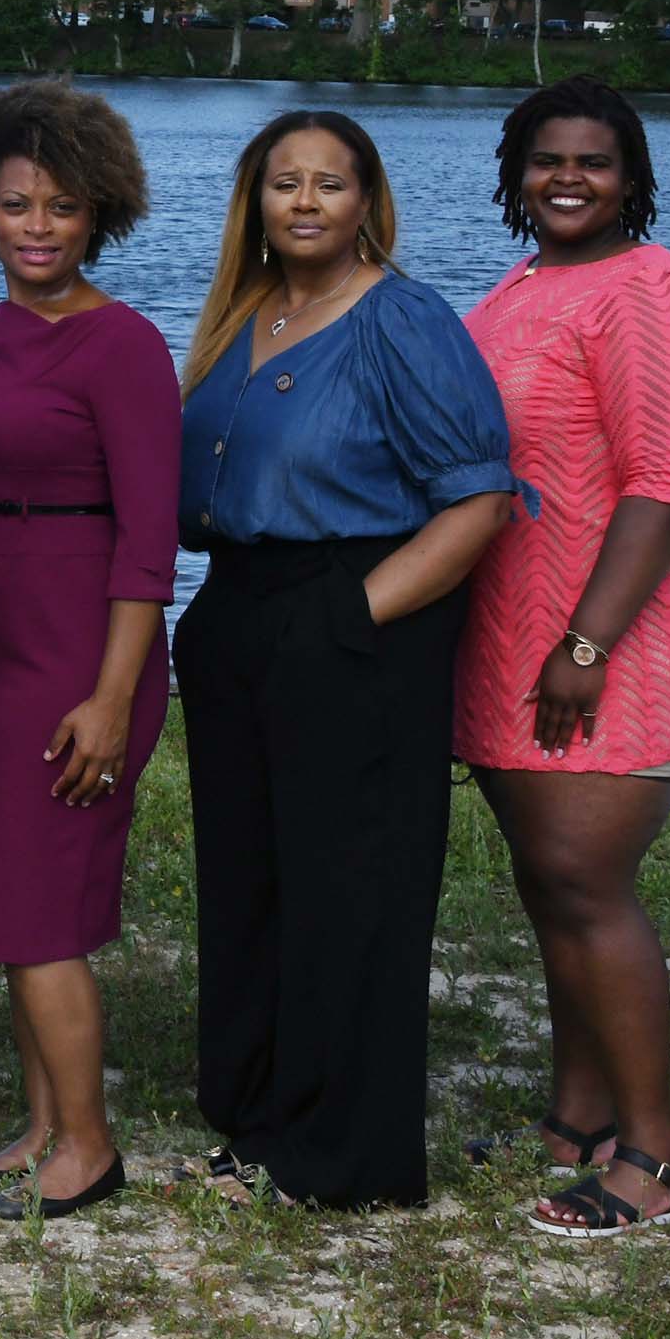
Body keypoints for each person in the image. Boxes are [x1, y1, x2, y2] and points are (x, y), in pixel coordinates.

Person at [175, 110, 515, 1208]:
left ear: (366, 201)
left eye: (330, 183)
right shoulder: (242, 318)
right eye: (285, 183)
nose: (306, 202)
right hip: (238, 610)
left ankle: (342, 1158)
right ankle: (258, 1117)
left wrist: (349, 619)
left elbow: (479, 501)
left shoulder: (401, 319)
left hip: (356, 614)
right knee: (250, 883)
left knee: (347, 891)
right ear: (255, 200)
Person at [458, 76, 670, 1238]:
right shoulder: (521, 286)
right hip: (506, 622)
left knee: (587, 884)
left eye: (594, 162)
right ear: (516, 174)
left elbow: (667, 482)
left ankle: (653, 1157)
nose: (567, 178)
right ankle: (577, 1120)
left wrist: (585, 641)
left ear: (633, 180)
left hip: (607, 628)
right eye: (545, 159)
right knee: (546, 884)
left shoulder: (652, 292)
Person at [0, 80, 175, 1221]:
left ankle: (89, 1147)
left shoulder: (121, 346)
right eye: (16, 203)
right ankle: (37, 1131)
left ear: (97, 218)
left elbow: (148, 546)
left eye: (60, 208)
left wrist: (112, 697)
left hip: (76, 651)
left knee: (40, 917)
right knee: (14, 915)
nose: (35, 226)